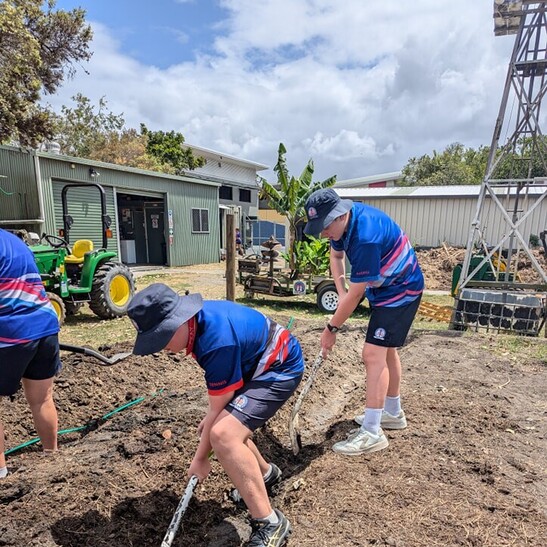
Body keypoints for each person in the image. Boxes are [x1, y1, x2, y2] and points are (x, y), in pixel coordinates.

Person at [127, 283, 304, 547]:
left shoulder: (215, 341)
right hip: (255, 364)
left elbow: (218, 410)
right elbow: (220, 406)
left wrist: (200, 459)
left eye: (161, 339)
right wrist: (212, 425)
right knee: (222, 428)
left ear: (178, 322)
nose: (162, 348)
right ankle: (266, 475)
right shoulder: (198, 326)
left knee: (223, 434)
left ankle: (270, 523)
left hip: (279, 367)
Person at [304, 188, 424, 456]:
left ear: (340, 215)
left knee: (372, 354)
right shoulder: (343, 226)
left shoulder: (365, 237)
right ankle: (392, 412)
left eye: (325, 227)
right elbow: (336, 257)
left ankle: (372, 432)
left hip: (401, 290)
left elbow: (357, 295)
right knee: (386, 350)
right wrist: (340, 290)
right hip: (385, 289)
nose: (323, 234)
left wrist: (331, 328)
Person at [0, 228, 62, 478]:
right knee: (42, 399)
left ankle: (1, 474)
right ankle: (52, 460)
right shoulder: (14, 241)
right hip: (44, 326)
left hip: (9, 333)